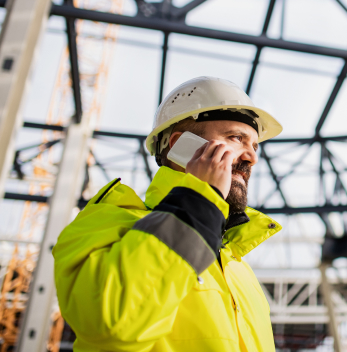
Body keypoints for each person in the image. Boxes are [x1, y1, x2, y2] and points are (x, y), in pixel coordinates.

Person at [53, 77, 283, 352]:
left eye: (255, 146)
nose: (251, 158)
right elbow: (113, 323)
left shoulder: (238, 267)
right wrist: (200, 198)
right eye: (236, 138)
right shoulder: (106, 223)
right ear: (180, 146)